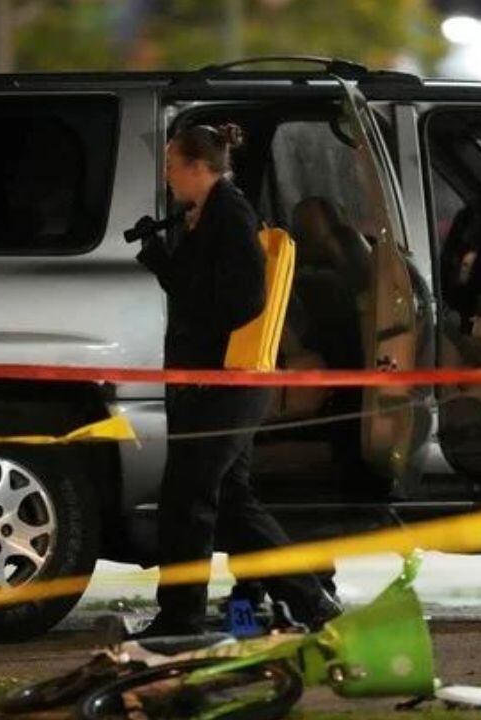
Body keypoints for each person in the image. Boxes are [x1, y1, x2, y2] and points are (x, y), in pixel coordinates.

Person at [134, 123, 342, 637]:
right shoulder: (206, 213)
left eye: (171, 163)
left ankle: (180, 616)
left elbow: (243, 298)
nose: (166, 174)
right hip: (213, 381)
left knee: (189, 497)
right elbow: (198, 286)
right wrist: (163, 258)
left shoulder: (229, 213)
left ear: (198, 167)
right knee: (229, 500)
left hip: (224, 383)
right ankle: (311, 599)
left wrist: (165, 264)